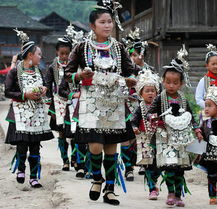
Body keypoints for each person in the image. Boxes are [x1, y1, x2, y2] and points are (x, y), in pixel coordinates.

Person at [64, 0, 139, 205]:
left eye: (110, 22)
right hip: (91, 101)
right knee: (95, 145)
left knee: (111, 147)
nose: (107, 26)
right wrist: (79, 76)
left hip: (114, 101)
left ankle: (110, 189)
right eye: (103, 22)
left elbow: (130, 70)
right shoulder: (81, 48)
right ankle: (97, 178)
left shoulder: (119, 47)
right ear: (92, 26)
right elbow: (68, 73)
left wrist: (131, 78)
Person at [147, 45, 203, 207]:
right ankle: (170, 193)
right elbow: (151, 111)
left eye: (175, 82)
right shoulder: (159, 98)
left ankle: (178, 195)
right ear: (163, 82)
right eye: (168, 82)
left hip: (182, 138)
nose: (171, 85)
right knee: (169, 166)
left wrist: (197, 130)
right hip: (165, 137)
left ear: (181, 84)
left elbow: (191, 116)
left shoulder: (183, 99)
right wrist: (153, 117)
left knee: (179, 168)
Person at [5, 29, 54, 188]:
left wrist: (44, 90)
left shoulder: (39, 71)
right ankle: (21, 169)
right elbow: (7, 92)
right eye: (39, 54)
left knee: (35, 148)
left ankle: (34, 177)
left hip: (37, 114)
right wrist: (25, 95)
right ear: (30, 55)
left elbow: (47, 85)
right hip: (21, 114)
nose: (41, 57)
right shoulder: (14, 72)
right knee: (22, 145)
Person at [121, 27, 152, 179]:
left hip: (143, 109)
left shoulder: (149, 73)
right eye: (130, 55)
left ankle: (142, 163)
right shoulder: (123, 71)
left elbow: (153, 91)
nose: (132, 58)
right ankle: (128, 168)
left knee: (140, 137)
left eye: (134, 55)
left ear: (142, 55)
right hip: (125, 108)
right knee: (126, 138)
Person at [131, 69, 162, 200]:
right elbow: (134, 121)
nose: (150, 93)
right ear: (141, 94)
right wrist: (134, 128)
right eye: (147, 91)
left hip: (159, 138)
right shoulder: (140, 107)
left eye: (153, 91)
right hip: (145, 139)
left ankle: (154, 181)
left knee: (160, 164)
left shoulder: (161, 106)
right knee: (149, 164)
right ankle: (151, 188)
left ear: (157, 92)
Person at [46, 34, 75, 172]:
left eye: (67, 53)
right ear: (57, 52)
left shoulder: (74, 65)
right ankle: (65, 160)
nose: (64, 56)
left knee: (74, 132)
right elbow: (48, 84)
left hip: (73, 101)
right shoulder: (53, 67)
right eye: (62, 53)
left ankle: (75, 159)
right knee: (62, 132)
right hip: (58, 103)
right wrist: (49, 102)